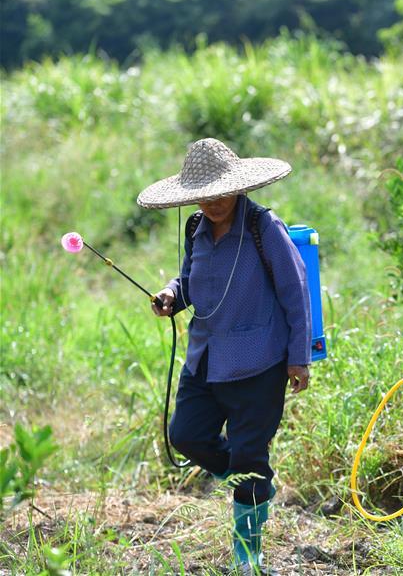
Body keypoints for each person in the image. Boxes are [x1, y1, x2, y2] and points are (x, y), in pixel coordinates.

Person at [137, 138, 312, 573]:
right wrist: (171, 295)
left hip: (259, 363)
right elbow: (190, 281)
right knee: (186, 435)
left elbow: (295, 291)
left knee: (250, 458)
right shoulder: (196, 228)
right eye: (204, 194)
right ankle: (253, 487)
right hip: (205, 358)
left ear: (238, 187)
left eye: (221, 193)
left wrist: (299, 357)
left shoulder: (263, 227)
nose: (213, 203)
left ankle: (247, 558)